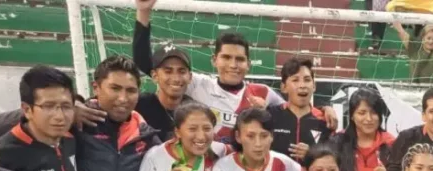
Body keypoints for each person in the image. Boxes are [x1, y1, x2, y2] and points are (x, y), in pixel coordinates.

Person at [132, 0, 338, 143]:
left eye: (239, 59)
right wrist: (143, 14)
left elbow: (295, 109)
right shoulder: (198, 84)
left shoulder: (262, 92)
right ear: (214, 60)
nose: (233, 65)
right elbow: (147, 64)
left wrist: (324, 108)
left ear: (248, 64)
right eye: (226, 57)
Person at [268, 57, 333, 162]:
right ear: (284, 87)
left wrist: (311, 155)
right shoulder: (270, 116)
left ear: (314, 86)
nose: (302, 85)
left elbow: (332, 161)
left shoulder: (325, 121)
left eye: (307, 80)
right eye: (295, 80)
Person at [330, 88, 394, 171]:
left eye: (374, 113)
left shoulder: (392, 143)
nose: (369, 119)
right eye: (362, 113)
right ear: (352, 116)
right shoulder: (337, 142)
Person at [132, 39, 194, 140]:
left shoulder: (193, 110)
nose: (176, 78)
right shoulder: (138, 105)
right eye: (168, 71)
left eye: (182, 71)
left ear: (190, 77)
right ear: (154, 76)